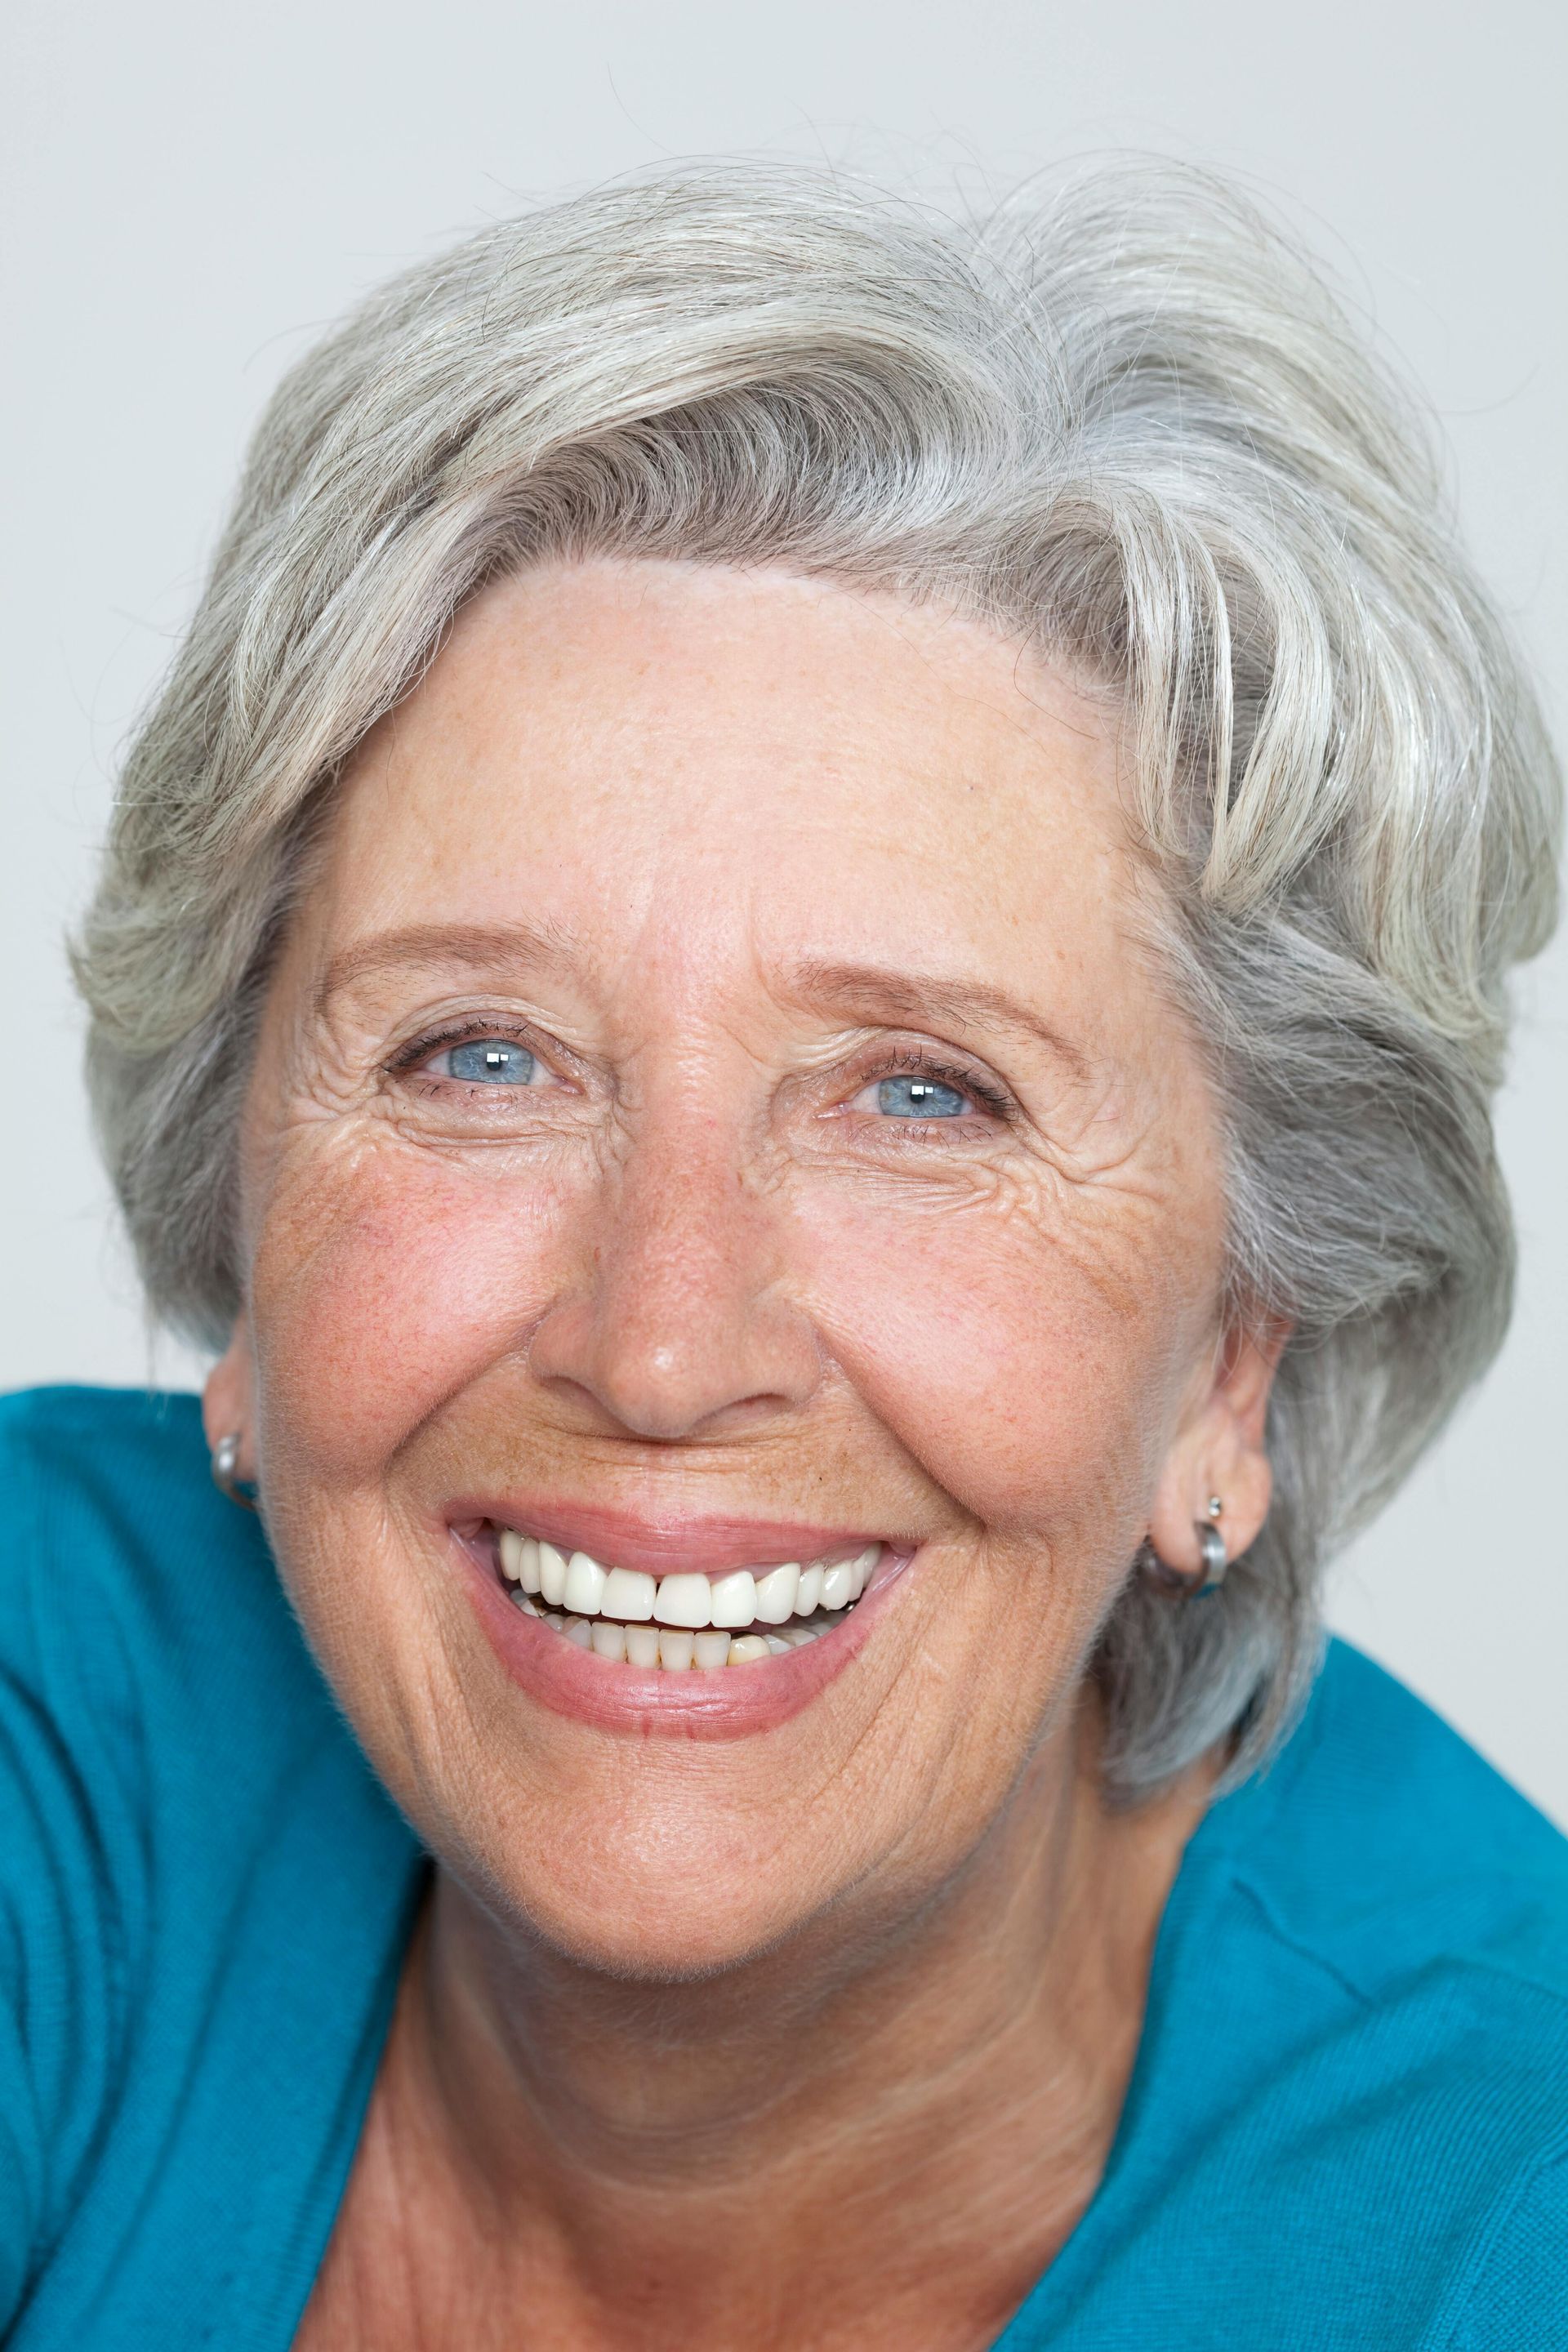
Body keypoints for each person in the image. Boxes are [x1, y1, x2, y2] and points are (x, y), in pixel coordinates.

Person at [3, 158, 1564, 2349]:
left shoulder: (1505, 2230)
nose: (661, 1340)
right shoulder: (55, 1712)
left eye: (925, 1097)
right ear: (235, 1223)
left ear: (1235, 1358)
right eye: (478, 1057)